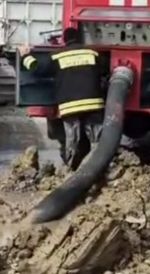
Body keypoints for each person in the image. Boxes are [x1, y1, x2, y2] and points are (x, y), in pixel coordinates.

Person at [19, 27, 105, 170]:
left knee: (72, 140)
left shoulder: (57, 56)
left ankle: (71, 168)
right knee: (97, 139)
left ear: (64, 40)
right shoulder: (92, 53)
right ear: (81, 38)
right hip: (93, 105)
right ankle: (101, 165)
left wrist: (25, 56)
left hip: (70, 107)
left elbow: (36, 69)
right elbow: (105, 71)